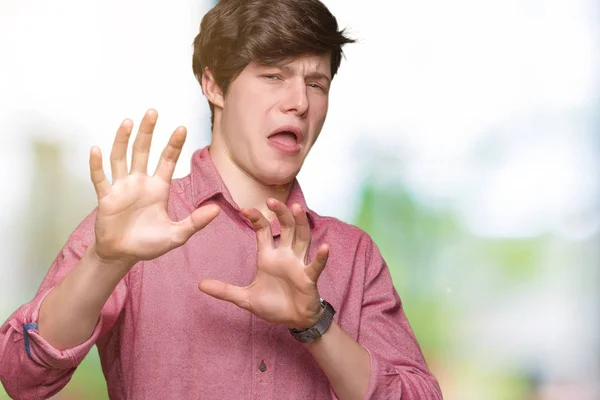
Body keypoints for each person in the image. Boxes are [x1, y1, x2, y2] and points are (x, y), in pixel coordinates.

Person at [0, 0, 442, 399]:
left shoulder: (352, 255)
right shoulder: (136, 225)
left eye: (316, 84)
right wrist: (104, 262)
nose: (299, 103)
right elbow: (20, 377)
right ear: (213, 85)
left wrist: (315, 324)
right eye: (273, 75)